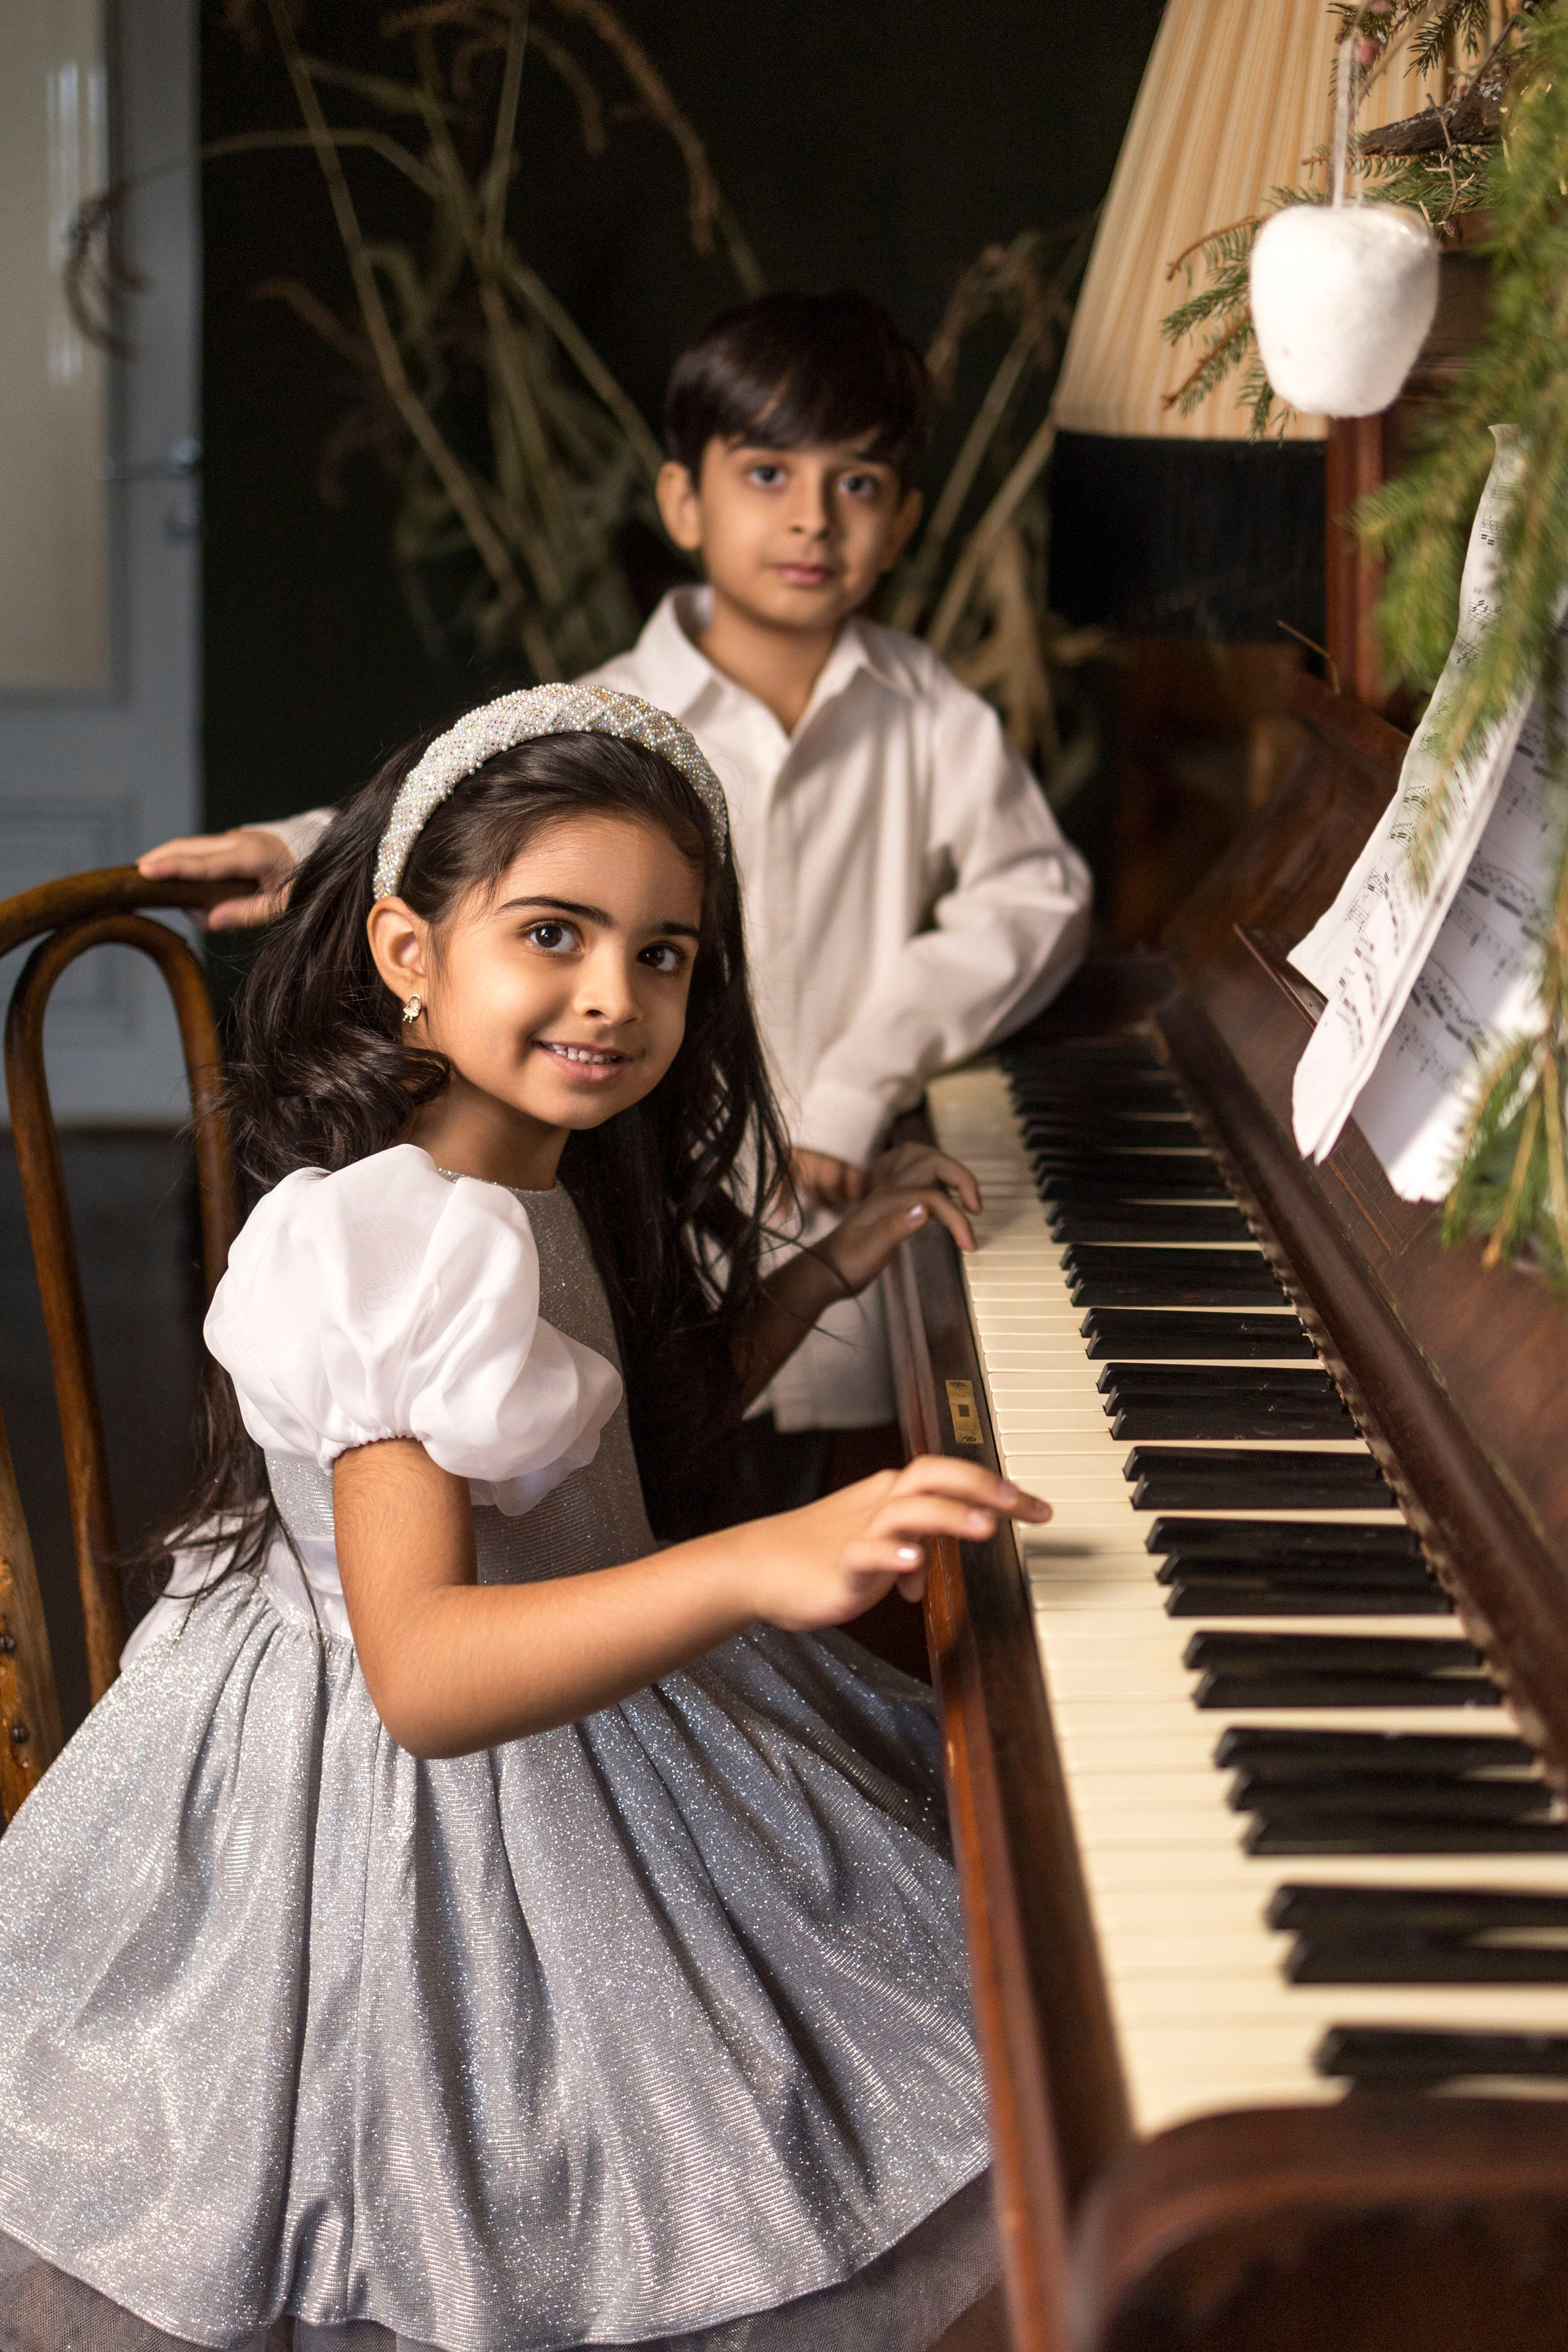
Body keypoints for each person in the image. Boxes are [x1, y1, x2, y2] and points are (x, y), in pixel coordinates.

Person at [0, 687, 1049, 2352]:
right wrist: (765, 1565)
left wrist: (837, 1268)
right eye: (553, 933)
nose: (611, 999)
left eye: (663, 954)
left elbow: (612, 1438)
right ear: (409, 951)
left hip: (568, 1675)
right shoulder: (404, 1238)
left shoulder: (531, 1181)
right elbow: (422, 1675)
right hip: (404, 1787)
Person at [140, 290, 1091, 1519]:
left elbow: (1038, 892)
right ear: (683, 502)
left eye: (856, 483)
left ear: (901, 519)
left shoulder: (931, 717)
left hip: (837, 1213)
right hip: (658, 1211)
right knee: (646, 1473)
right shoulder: (611, 713)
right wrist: (299, 846)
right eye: (764, 473)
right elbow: (471, 817)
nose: (810, 516)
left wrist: (866, 1072)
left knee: (844, 1517)